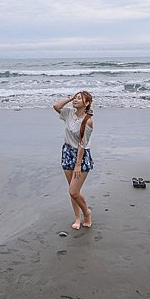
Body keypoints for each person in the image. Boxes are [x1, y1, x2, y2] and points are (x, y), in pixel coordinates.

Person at [53, 91, 94, 230]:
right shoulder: (69, 113)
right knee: (72, 189)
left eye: (79, 99)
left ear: (87, 103)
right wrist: (69, 98)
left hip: (81, 156)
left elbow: (82, 144)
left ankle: (86, 213)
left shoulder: (87, 120)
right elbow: (56, 106)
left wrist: (78, 165)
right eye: (74, 98)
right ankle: (77, 218)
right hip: (67, 152)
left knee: (74, 191)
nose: (75, 100)